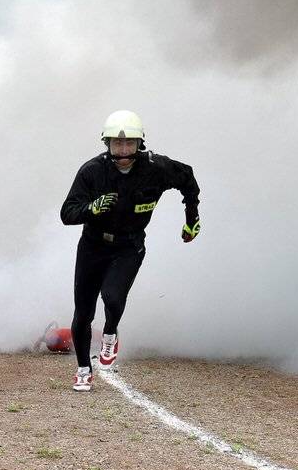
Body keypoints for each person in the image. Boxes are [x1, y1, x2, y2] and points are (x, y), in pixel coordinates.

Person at [60, 110, 201, 392]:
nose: (123, 150)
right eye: (117, 144)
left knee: (112, 297)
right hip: (93, 245)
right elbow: (67, 213)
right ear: (107, 143)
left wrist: (192, 219)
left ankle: (111, 332)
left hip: (129, 245)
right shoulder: (92, 171)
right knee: (83, 311)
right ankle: (83, 369)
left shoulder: (157, 168)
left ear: (140, 144)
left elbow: (188, 180)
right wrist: (92, 208)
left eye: (129, 144)